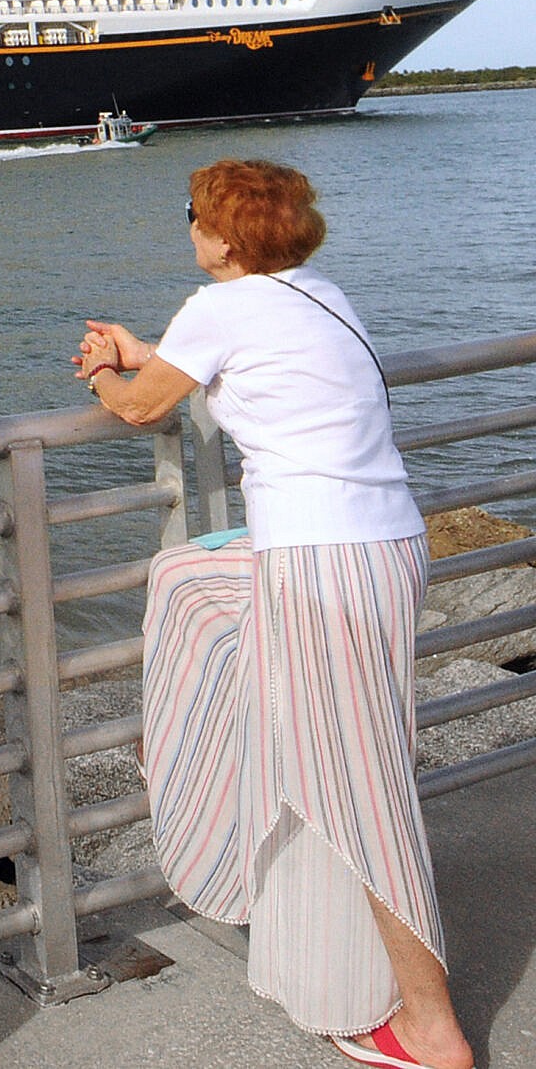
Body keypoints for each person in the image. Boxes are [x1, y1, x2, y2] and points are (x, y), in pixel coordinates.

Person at [78, 159, 471, 1069]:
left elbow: (140, 409)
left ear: (222, 236)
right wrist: (145, 349)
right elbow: (244, 364)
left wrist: (103, 371)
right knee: (190, 583)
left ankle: (432, 1025)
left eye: (192, 213)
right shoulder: (320, 294)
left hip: (318, 564)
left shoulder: (218, 307)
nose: (188, 226)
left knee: (363, 793)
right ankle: (196, 752)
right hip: (384, 548)